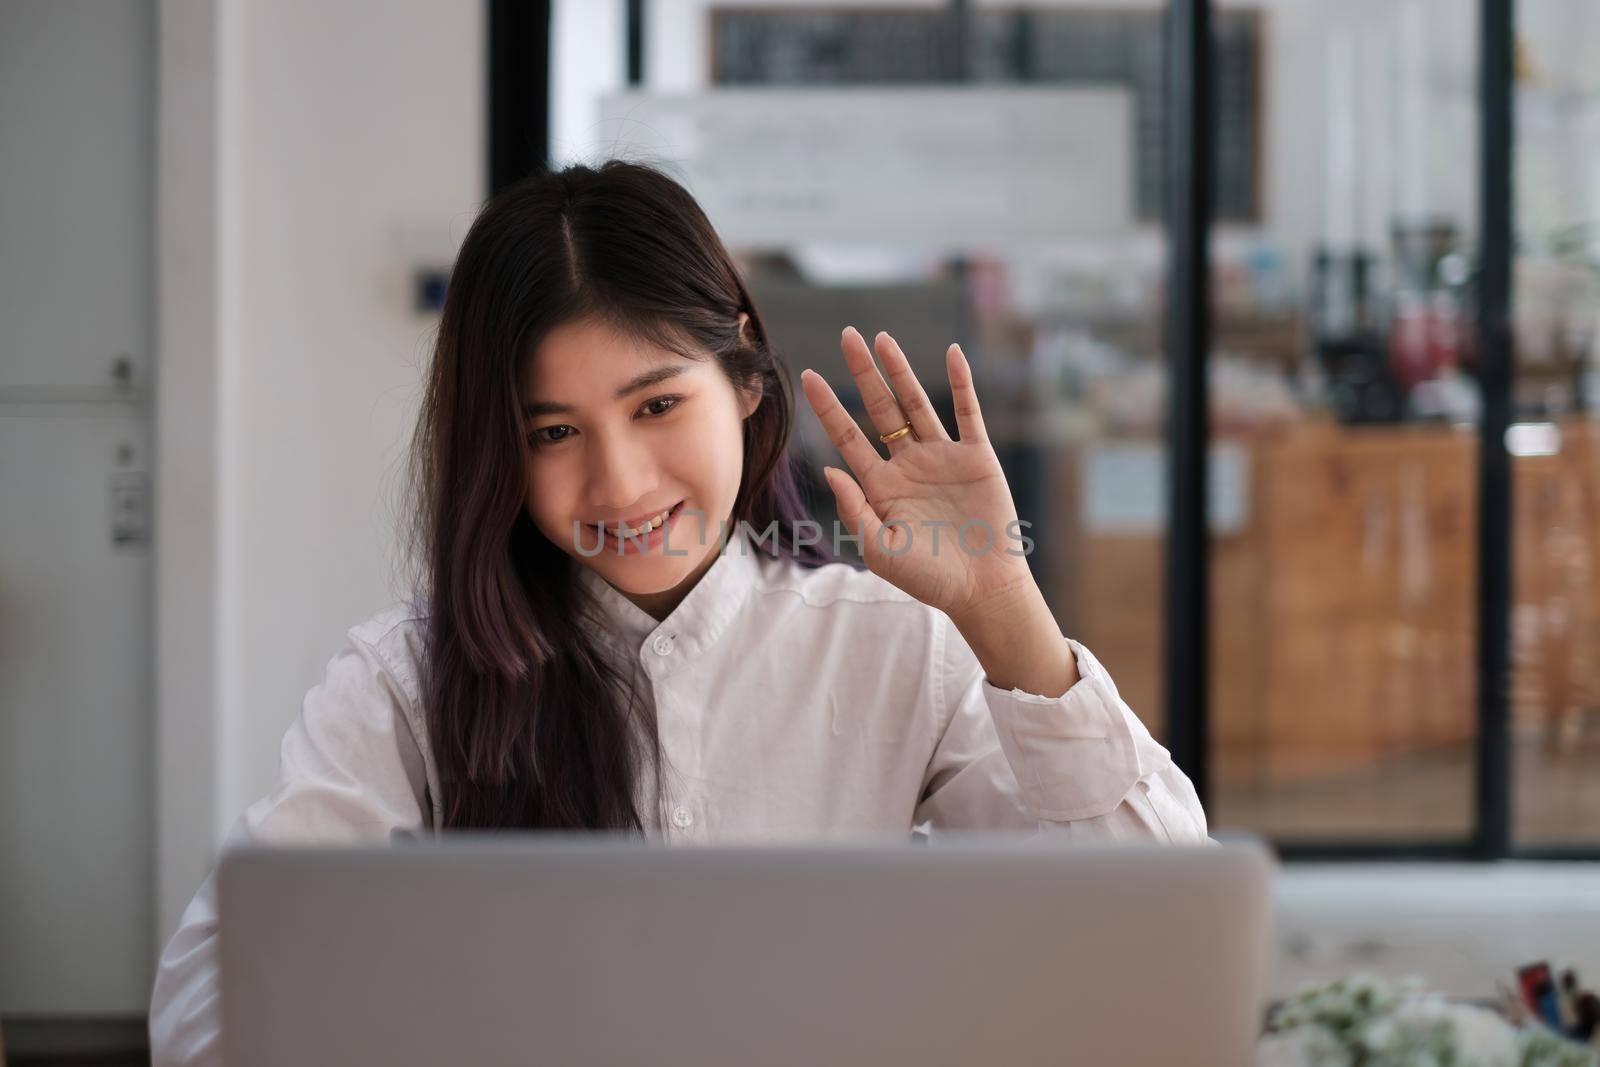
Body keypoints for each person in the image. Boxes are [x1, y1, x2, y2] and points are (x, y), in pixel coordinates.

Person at [148, 159, 1210, 1065]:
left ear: (744, 375)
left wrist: (1005, 609)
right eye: (552, 432)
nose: (619, 483)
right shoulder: (404, 681)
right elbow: (213, 1006)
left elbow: (1157, 917)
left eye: (657, 404)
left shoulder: (889, 642)